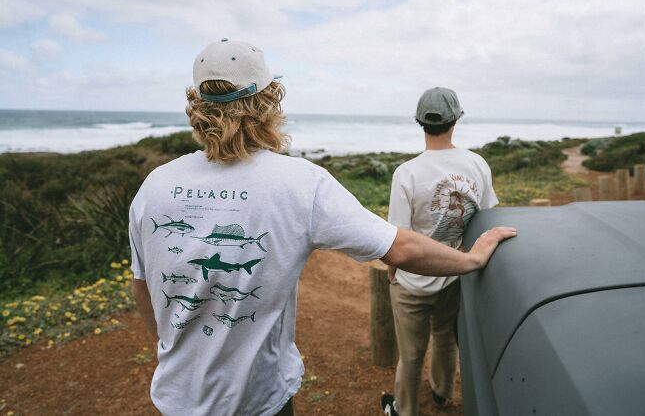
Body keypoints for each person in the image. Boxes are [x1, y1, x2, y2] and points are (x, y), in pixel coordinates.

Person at [129, 39, 516, 416]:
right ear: (269, 102)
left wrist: (177, 345)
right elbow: (400, 248)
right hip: (259, 398)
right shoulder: (300, 183)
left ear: (196, 105)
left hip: (177, 396)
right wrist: (472, 259)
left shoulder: (154, 186)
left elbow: (142, 285)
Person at [382, 87, 499, 416]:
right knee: (446, 339)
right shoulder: (477, 164)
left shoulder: (406, 173)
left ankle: (403, 410)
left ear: (420, 122)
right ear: (455, 120)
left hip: (412, 281)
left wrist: (393, 270)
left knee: (411, 354)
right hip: (454, 275)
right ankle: (441, 394)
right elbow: (489, 217)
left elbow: (398, 236)